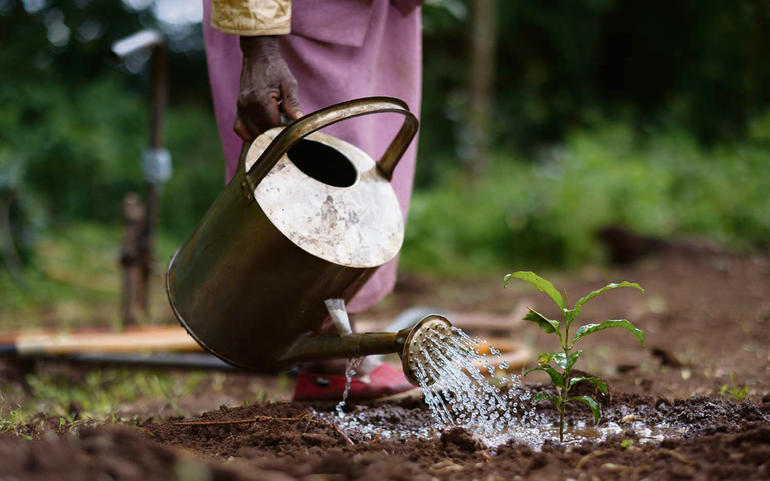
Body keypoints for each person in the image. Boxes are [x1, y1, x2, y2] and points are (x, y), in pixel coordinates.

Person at [203, 0, 424, 400]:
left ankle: (331, 345)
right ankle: (323, 352)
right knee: (305, 172)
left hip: (379, 15)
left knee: (367, 171)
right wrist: (260, 47)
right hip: (285, 18)